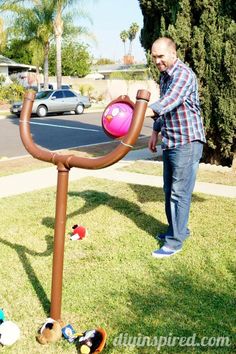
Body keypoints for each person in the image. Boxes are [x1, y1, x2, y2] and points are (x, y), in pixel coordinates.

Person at [145, 37, 206, 258]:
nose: (157, 61)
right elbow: (166, 112)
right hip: (171, 141)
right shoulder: (165, 77)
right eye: (154, 57)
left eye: (161, 56)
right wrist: (154, 132)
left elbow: (167, 102)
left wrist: (137, 113)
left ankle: (174, 243)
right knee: (169, 190)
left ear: (173, 53)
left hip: (187, 142)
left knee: (179, 194)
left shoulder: (183, 74)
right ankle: (177, 230)